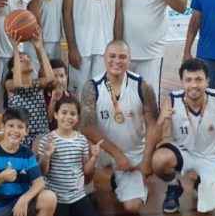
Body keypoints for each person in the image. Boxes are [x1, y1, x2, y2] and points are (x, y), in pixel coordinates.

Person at [149, 59, 215, 214]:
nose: (193, 85)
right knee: (159, 160)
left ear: (207, 81)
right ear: (182, 82)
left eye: (199, 79)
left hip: (212, 156)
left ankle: (202, 181)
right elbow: (159, 139)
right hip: (184, 153)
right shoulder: (172, 100)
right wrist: (160, 121)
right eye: (188, 80)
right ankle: (174, 186)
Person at [79, 40, 159, 214]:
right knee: (78, 148)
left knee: (132, 208)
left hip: (132, 154)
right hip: (101, 152)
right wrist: (116, 154)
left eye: (122, 57)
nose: (117, 61)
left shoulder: (142, 86)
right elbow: (86, 127)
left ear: (130, 59)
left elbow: (153, 125)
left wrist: (146, 160)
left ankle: (123, 181)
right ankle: (87, 188)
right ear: (104, 58)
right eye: (112, 56)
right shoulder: (91, 87)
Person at [0, 108, 58, 216]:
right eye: (11, 126)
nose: (15, 130)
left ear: (26, 131)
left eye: (20, 127)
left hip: (19, 205)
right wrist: (1, 178)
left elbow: (39, 183)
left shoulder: (27, 154)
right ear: (2, 127)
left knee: (49, 197)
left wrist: (24, 199)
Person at [37, 96, 102, 216]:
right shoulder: (47, 140)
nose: (68, 117)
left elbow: (86, 171)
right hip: (57, 198)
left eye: (73, 114)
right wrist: (47, 155)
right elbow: (43, 172)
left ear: (77, 118)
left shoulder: (82, 140)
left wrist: (94, 157)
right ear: (56, 114)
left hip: (78, 196)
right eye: (64, 112)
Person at [2, 32, 56, 149]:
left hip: (41, 134)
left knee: (44, 147)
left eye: (27, 57)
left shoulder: (36, 83)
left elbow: (51, 78)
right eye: (21, 60)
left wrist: (40, 47)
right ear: (13, 69)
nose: (26, 59)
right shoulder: (9, 84)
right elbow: (18, 85)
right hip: (20, 134)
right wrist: (16, 49)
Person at [46, 59, 74, 131]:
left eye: (62, 76)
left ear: (66, 77)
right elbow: (48, 120)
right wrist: (53, 100)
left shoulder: (71, 97)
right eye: (55, 76)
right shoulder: (43, 96)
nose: (59, 80)